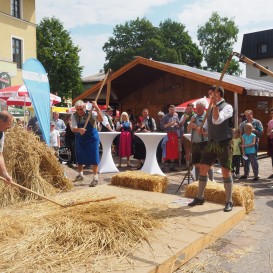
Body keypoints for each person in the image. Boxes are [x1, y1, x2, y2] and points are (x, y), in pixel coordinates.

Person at [188, 86, 234, 212]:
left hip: (224, 142)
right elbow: (209, 125)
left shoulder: (228, 107)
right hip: (212, 142)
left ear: (217, 94)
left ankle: (229, 200)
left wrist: (214, 106)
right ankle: (200, 197)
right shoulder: (209, 108)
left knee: (225, 171)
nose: (209, 97)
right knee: (203, 167)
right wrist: (203, 130)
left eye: (210, 94)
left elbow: (218, 120)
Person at [71, 100, 103, 187]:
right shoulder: (74, 116)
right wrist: (79, 130)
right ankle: (80, 175)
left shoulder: (90, 113)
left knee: (94, 157)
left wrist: (96, 107)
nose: (79, 111)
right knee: (79, 156)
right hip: (81, 138)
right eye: (77, 109)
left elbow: (101, 119)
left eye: (81, 109)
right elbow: (73, 128)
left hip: (92, 138)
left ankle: (95, 178)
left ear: (84, 107)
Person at [187, 99, 214, 181]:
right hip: (195, 143)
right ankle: (198, 181)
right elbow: (188, 130)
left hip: (205, 143)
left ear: (204, 108)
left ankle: (211, 181)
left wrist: (197, 128)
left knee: (208, 164)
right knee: (197, 164)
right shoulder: (193, 117)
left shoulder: (208, 117)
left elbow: (208, 132)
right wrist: (191, 124)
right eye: (196, 108)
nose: (197, 110)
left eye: (199, 108)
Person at [160, 105, 180, 172]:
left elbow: (179, 126)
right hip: (167, 135)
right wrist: (169, 124)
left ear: (175, 110)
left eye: (173, 109)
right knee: (165, 150)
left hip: (174, 135)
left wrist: (177, 125)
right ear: (168, 110)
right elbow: (162, 126)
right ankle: (163, 167)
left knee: (173, 150)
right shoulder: (165, 117)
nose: (172, 110)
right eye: (171, 109)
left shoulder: (176, 117)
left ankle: (172, 166)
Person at [0, 111, 14, 184]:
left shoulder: (1, 135)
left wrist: (5, 174)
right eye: (9, 124)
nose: (9, 127)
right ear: (1, 121)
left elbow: (0, 155)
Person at [180, 103, 195, 168]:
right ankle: (187, 165)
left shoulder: (195, 115)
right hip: (186, 135)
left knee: (194, 150)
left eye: (190, 108)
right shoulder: (184, 115)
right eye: (188, 108)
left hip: (194, 135)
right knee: (187, 150)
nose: (188, 109)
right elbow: (180, 125)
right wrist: (184, 119)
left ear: (192, 108)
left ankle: (194, 165)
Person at [266, 108, 273, 178]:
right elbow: (267, 133)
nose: (272, 115)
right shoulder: (270, 122)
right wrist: (269, 133)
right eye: (271, 113)